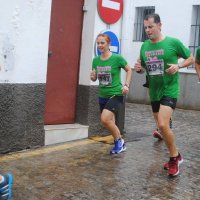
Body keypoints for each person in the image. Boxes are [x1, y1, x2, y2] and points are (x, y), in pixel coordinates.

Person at [134, 13, 194, 176]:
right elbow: (144, 66)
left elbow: (191, 58)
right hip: (154, 91)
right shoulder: (145, 46)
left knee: (161, 125)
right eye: (145, 27)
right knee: (163, 126)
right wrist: (139, 68)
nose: (147, 30)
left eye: (150, 27)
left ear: (160, 25)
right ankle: (176, 155)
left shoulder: (172, 43)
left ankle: (175, 158)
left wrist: (178, 66)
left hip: (170, 89)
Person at [90, 33, 132, 154]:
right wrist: (93, 77)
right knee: (110, 121)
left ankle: (119, 141)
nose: (100, 45)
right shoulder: (96, 60)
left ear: (109, 44)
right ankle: (119, 142)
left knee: (104, 119)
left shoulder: (117, 58)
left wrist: (126, 85)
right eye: (98, 43)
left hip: (116, 93)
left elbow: (129, 69)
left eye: (102, 43)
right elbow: (95, 78)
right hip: (103, 94)